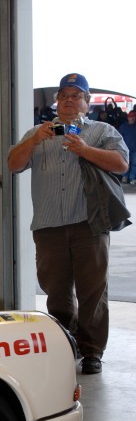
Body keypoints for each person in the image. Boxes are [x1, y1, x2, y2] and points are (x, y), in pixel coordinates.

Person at [8, 72, 130, 375]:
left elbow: (122, 164)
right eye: (64, 95)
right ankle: (66, 342)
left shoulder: (102, 130)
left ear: (87, 103)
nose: (69, 101)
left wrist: (86, 150)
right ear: (56, 102)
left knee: (93, 291)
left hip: (90, 223)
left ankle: (92, 351)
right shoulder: (38, 132)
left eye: (76, 96)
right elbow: (13, 164)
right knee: (56, 291)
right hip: (48, 226)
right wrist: (35, 140)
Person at [119, 109, 136, 184]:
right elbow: (119, 137)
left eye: (134, 117)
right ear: (128, 117)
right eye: (131, 117)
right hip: (125, 148)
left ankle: (132, 178)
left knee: (134, 164)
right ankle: (125, 176)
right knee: (126, 163)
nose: (132, 118)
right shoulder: (123, 126)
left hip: (135, 149)